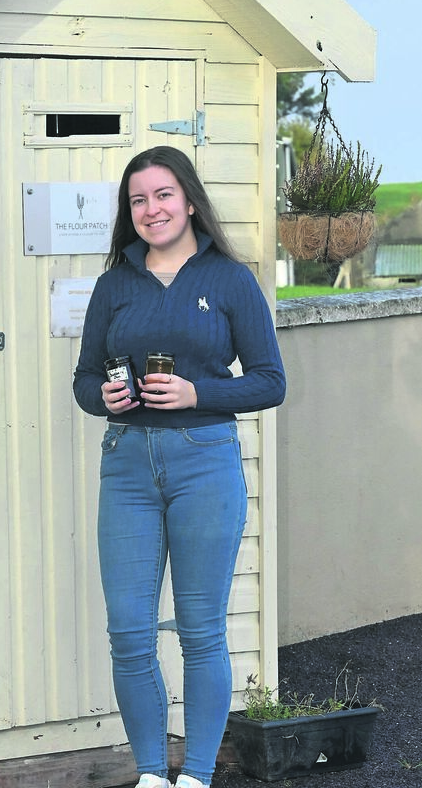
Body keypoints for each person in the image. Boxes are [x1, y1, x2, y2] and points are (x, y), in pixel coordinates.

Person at [72, 146, 286, 788]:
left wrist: (199, 393)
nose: (151, 209)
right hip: (127, 467)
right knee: (130, 632)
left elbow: (271, 381)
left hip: (205, 463)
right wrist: (102, 398)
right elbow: (83, 381)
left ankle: (194, 776)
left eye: (163, 194)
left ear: (189, 201)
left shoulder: (230, 279)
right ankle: (149, 775)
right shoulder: (114, 285)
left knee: (201, 630)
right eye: (138, 199)